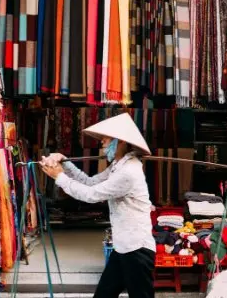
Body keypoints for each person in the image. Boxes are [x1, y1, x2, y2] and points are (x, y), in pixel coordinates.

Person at [40, 113, 156, 298]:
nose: (102, 141)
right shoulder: (118, 166)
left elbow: (91, 195)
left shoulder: (128, 171)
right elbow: (90, 182)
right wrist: (66, 163)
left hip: (136, 249)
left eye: (106, 137)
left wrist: (59, 176)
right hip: (123, 247)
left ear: (120, 141)